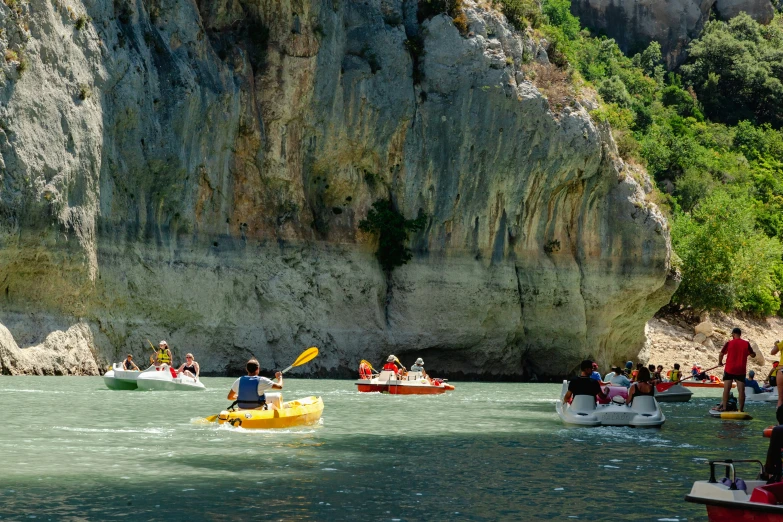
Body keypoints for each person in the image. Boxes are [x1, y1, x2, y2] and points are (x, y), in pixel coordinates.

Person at [717, 327, 757, 413]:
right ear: (740, 334)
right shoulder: (746, 343)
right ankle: (741, 410)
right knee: (741, 390)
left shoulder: (729, 343)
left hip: (729, 369)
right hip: (740, 369)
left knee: (727, 389)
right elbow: (753, 355)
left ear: (733, 334)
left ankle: (724, 407)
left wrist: (720, 363)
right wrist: (754, 353)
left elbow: (721, 354)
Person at [771, 340, 783, 407]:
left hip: (781, 369)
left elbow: (772, 352)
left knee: (780, 399)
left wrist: (776, 345)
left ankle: (779, 416)